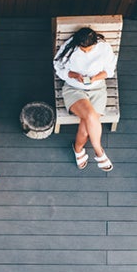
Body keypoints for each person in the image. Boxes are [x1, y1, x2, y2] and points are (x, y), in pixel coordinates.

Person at [54, 26, 117, 171]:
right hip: (74, 89)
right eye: (83, 49)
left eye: (89, 49)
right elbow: (59, 69)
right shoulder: (69, 49)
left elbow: (109, 71)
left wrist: (95, 78)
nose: (86, 51)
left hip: (97, 89)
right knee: (90, 116)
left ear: (95, 43)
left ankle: (77, 148)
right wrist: (75, 75)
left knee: (87, 127)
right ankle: (99, 151)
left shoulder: (104, 48)